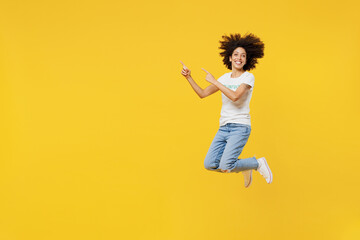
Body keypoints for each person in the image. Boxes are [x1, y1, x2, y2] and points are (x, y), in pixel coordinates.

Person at [180, 33, 272, 188]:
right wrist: (189, 77)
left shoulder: (248, 78)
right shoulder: (224, 78)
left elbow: (235, 96)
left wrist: (215, 81)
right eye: (236, 54)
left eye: (243, 56)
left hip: (240, 127)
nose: (239, 58)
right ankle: (247, 166)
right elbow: (202, 94)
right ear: (230, 58)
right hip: (224, 127)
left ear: (246, 60)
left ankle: (256, 164)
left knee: (226, 165)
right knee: (209, 164)